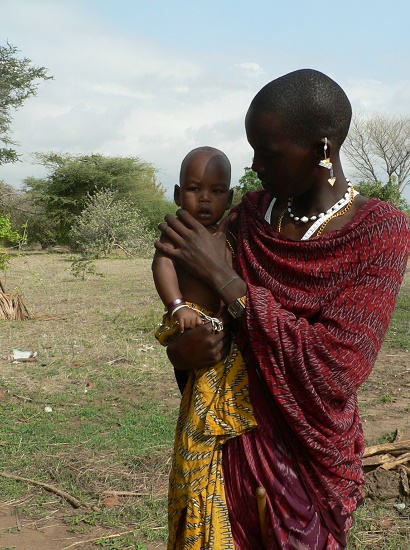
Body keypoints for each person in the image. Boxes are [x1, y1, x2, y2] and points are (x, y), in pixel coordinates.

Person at [155, 69, 410, 549]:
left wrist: (227, 280)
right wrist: (181, 353)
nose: (255, 165)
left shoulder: (379, 231)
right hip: (222, 442)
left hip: (305, 460)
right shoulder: (247, 218)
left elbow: (336, 367)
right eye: (252, 150)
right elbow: (197, 316)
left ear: (322, 149)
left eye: (268, 153)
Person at [152, 146, 257, 550]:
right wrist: (177, 305)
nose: (205, 199)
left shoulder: (232, 233)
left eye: (216, 191)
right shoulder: (178, 232)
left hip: (225, 335)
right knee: (195, 397)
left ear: (229, 197)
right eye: (195, 189)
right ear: (178, 194)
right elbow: (162, 265)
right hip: (189, 324)